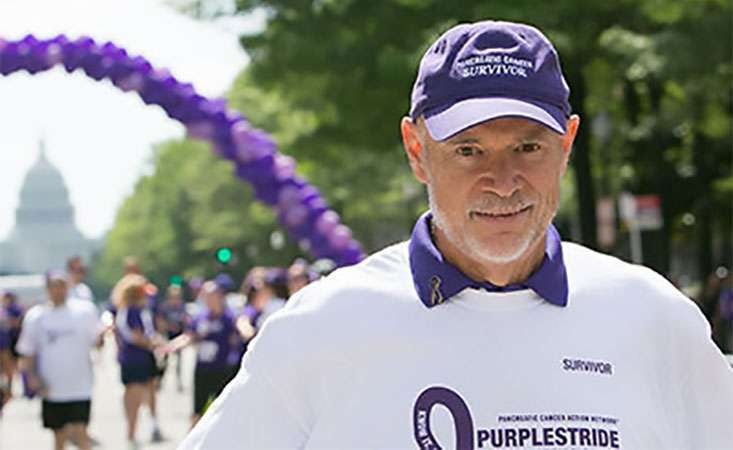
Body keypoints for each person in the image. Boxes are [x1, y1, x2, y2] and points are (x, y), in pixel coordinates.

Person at [181, 20, 733, 449]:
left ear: (566, 146)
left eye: (527, 147)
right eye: (468, 150)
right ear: (417, 150)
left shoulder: (655, 320)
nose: (501, 181)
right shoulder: (320, 328)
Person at [15, 270, 102, 450]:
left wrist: (104, 335)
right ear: (47, 289)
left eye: (62, 285)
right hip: (52, 387)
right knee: (59, 434)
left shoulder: (84, 312)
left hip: (80, 385)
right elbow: (27, 351)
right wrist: (31, 377)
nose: (58, 290)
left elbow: (96, 341)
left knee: (81, 432)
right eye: (53, 286)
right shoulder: (36, 317)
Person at [158, 280, 244, 427]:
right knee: (197, 410)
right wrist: (171, 346)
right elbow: (189, 336)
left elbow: (238, 337)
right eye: (205, 297)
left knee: (222, 410)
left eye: (211, 296)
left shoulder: (229, 318)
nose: (208, 300)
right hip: (203, 369)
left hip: (223, 369)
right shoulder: (201, 317)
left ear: (220, 296)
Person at [111, 273, 164, 449]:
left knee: (143, 392)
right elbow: (136, 336)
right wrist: (154, 344)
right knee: (135, 395)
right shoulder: (132, 311)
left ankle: (139, 430)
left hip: (137, 358)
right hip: (136, 359)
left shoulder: (134, 310)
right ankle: (131, 434)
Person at [157, 284, 189, 391]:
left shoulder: (182, 307)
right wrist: (168, 327)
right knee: (164, 361)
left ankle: (179, 382)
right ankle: (160, 380)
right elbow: (160, 321)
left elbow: (186, 320)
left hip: (178, 335)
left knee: (179, 361)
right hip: (168, 335)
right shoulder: (165, 307)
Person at [0, 291, 23, 396]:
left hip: (8, 342)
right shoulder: (3, 309)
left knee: (10, 367)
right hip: (6, 342)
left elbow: (17, 322)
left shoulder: (14, 308)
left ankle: (9, 389)